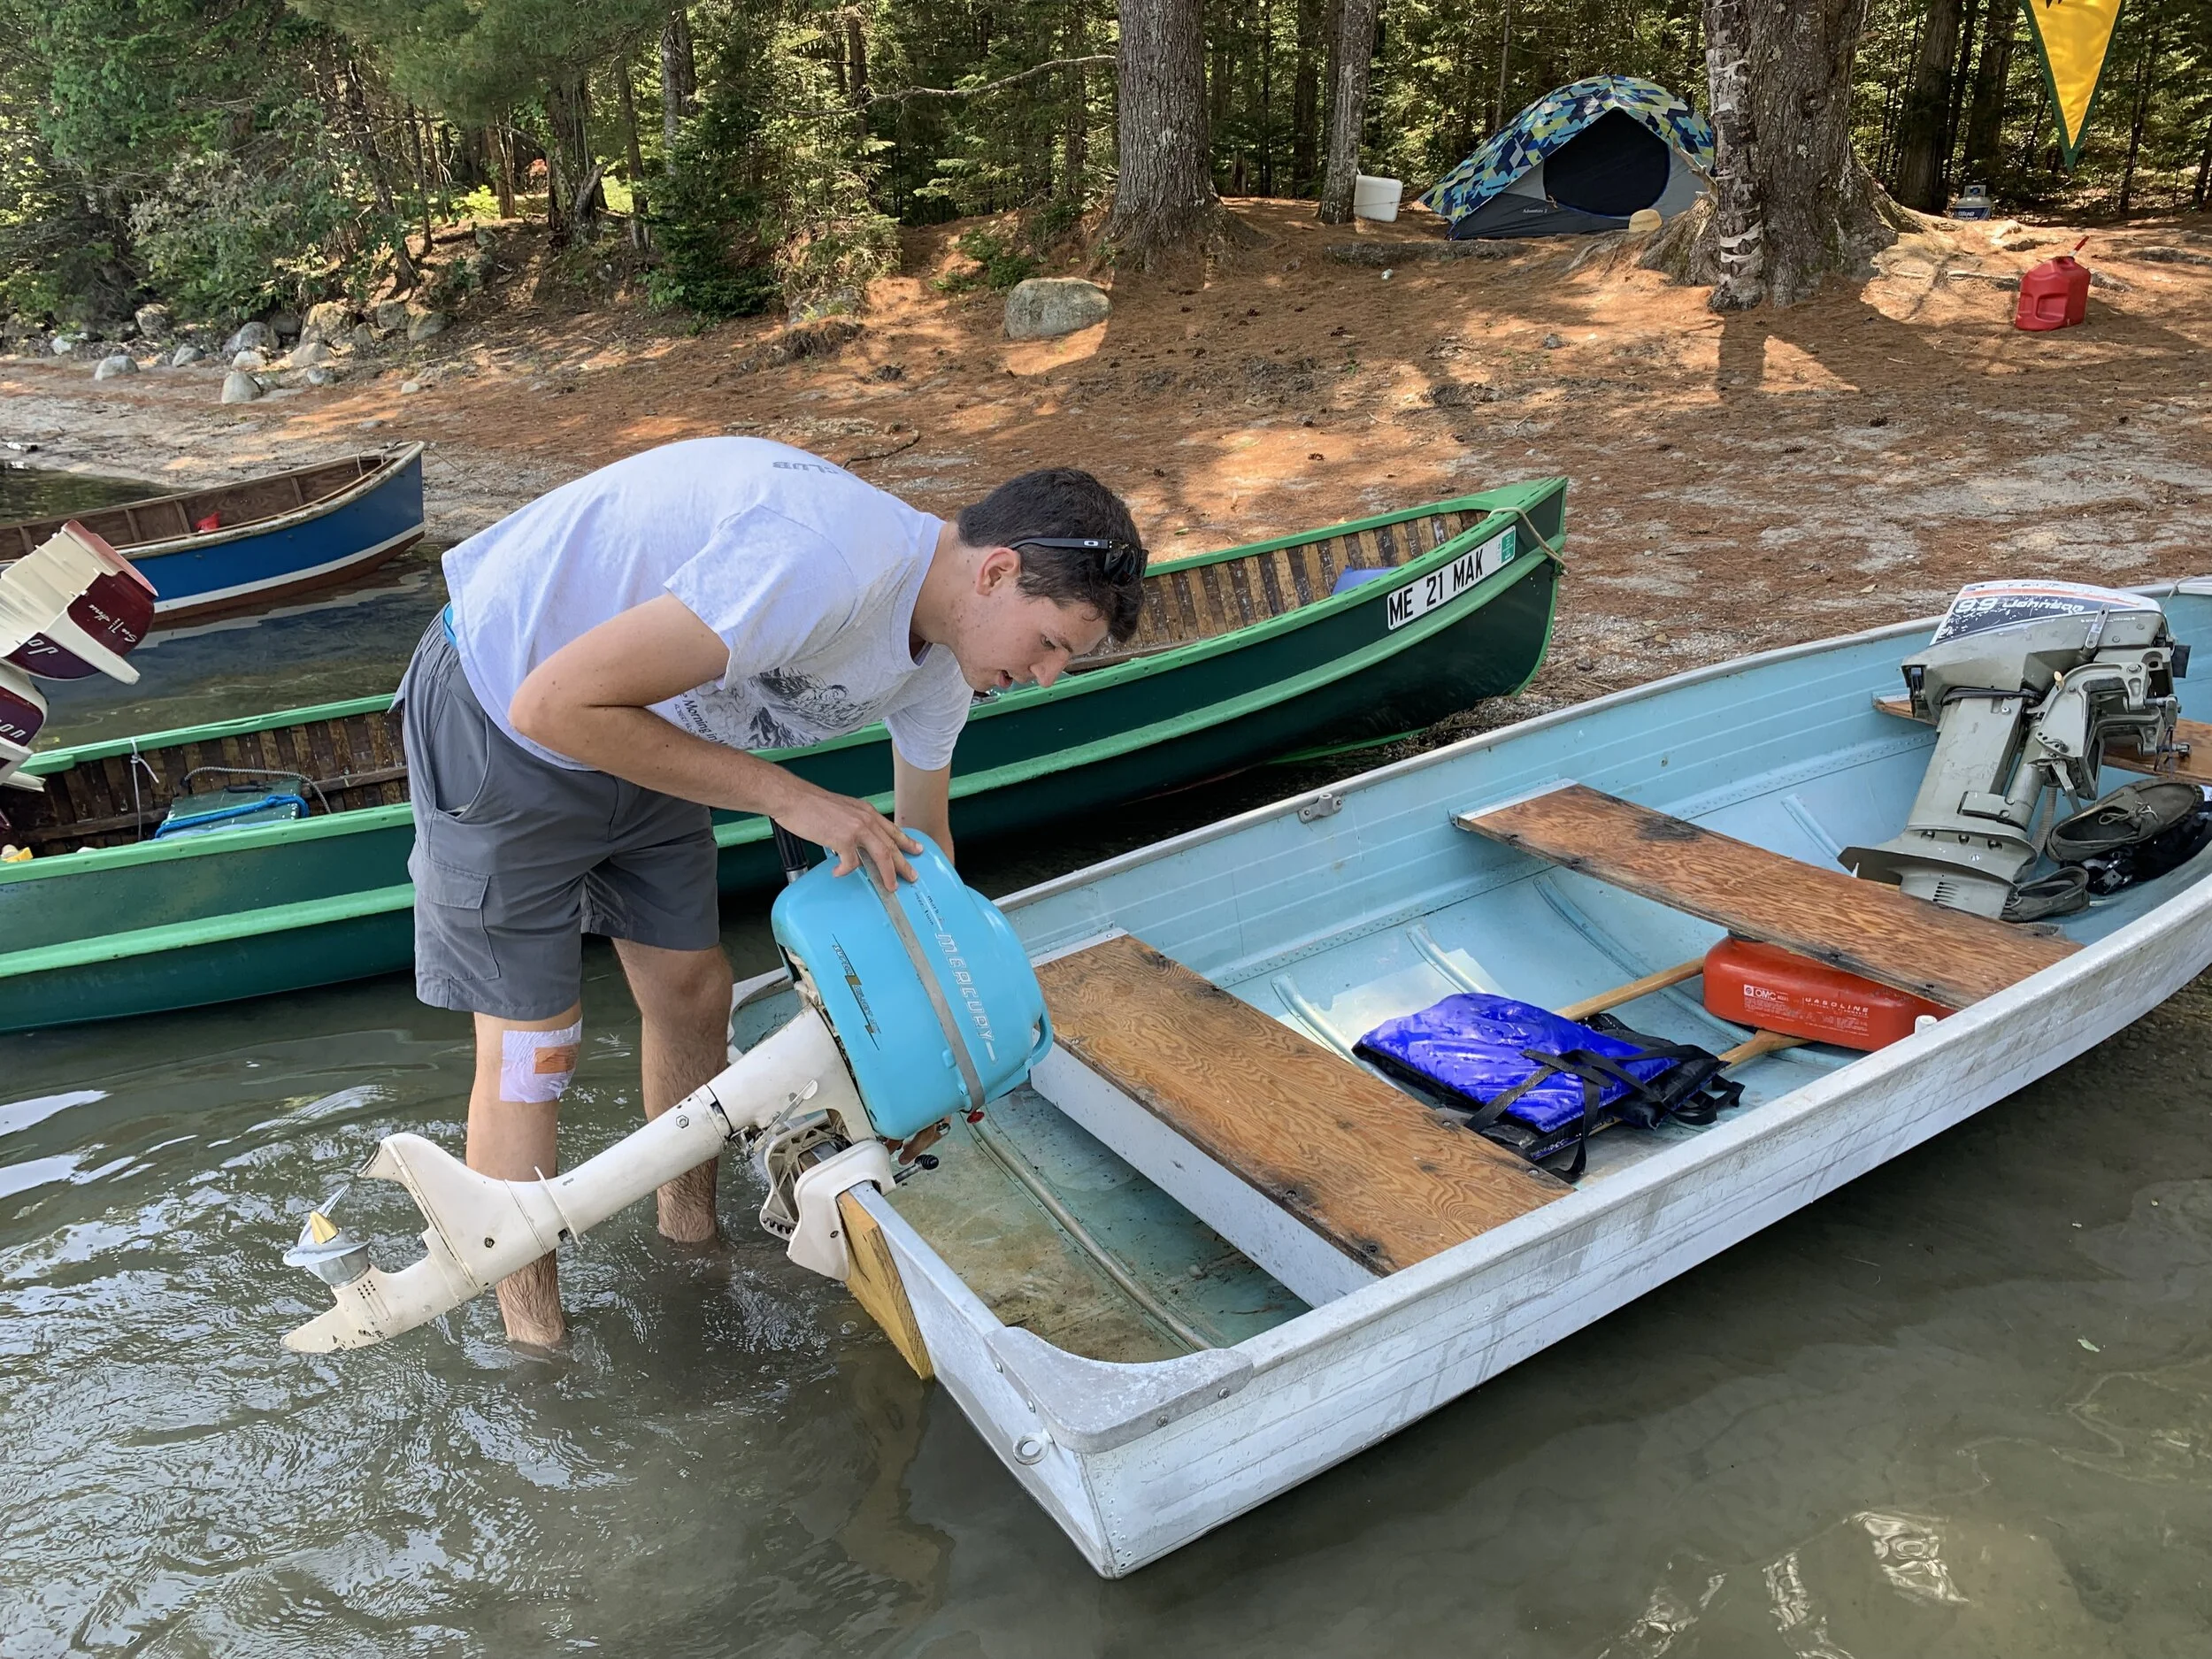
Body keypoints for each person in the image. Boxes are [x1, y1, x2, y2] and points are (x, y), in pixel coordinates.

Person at [398, 436, 1147, 1345]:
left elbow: (923, 858)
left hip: (644, 721)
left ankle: (690, 1241)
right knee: (535, 1049)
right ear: (995, 573)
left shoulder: (948, 661)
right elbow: (550, 705)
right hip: (505, 700)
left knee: (693, 991)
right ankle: (537, 1346)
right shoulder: (824, 560)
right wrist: (792, 797)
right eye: (1051, 644)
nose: (1047, 676)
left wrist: (939, 1049)